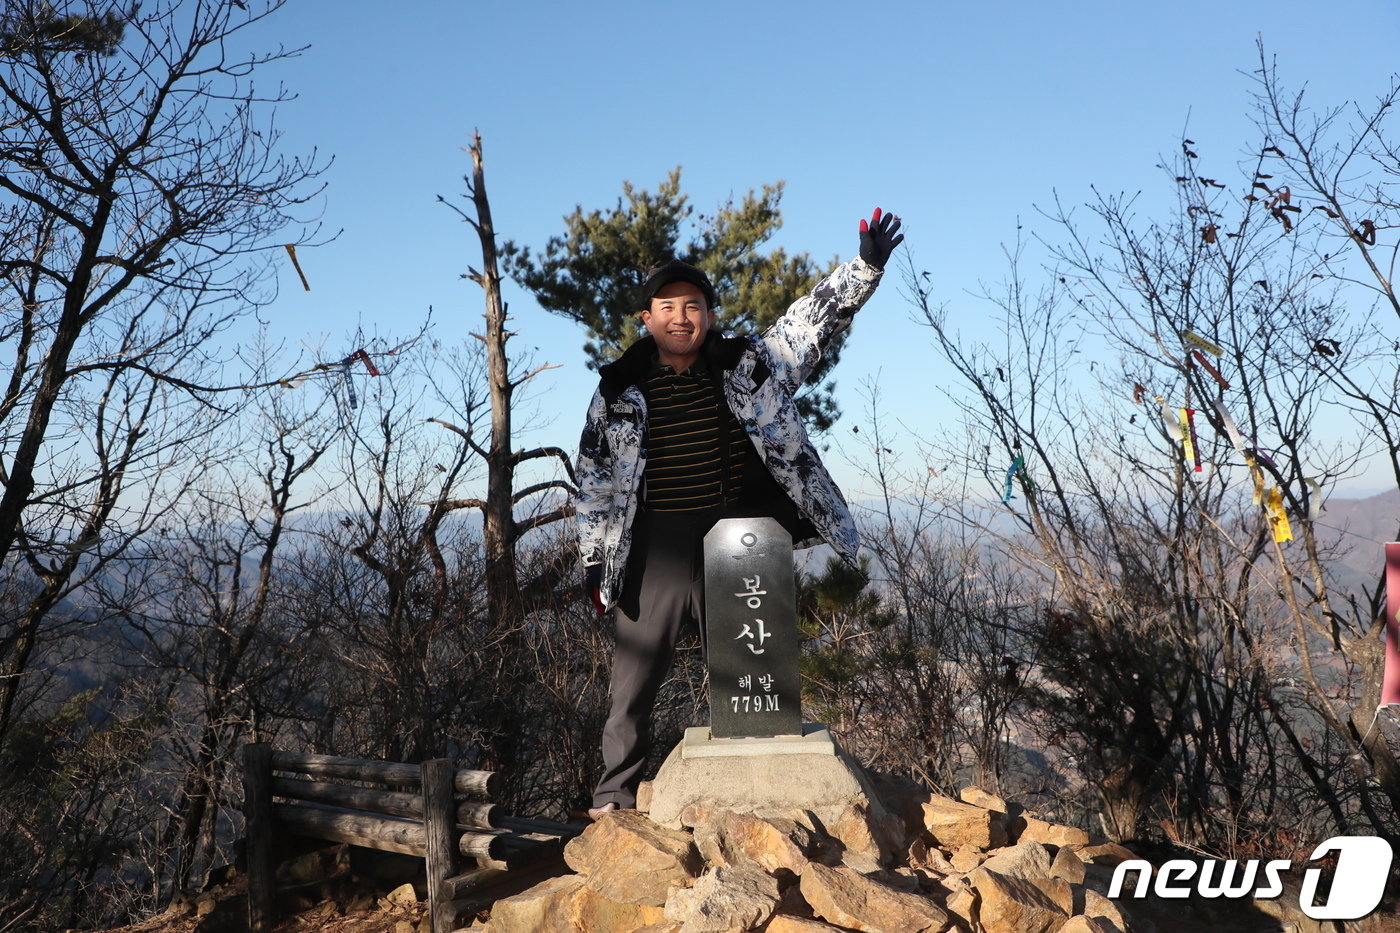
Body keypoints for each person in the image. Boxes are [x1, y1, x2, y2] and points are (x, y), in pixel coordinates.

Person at [573, 208, 904, 817]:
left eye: (693, 305)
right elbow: (594, 482)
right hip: (657, 546)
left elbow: (810, 324)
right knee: (634, 683)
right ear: (646, 319)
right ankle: (614, 798)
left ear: (709, 315)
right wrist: (596, 560)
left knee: (757, 671)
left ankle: (770, 793)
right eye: (666, 307)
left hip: (738, 536)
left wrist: (864, 269)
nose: (681, 317)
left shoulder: (747, 365)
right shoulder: (618, 390)